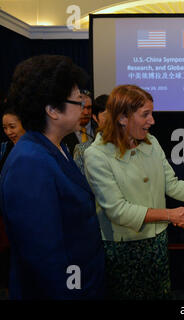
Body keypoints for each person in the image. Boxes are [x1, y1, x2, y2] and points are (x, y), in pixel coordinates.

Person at [83, 84, 184, 300]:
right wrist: (170, 214)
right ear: (122, 118)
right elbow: (118, 211)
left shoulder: (151, 143)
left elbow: (172, 185)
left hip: (157, 242)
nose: (152, 121)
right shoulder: (96, 155)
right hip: (123, 250)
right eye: (145, 114)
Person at [0, 55, 105, 299]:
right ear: (52, 110)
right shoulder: (29, 163)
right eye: (78, 101)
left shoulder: (56, 147)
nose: (83, 108)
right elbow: (45, 257)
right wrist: (76, 291)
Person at [0, 106, 26, 297]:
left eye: (12, 126)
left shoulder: (35, 150)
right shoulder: (3, 149)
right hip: (8, 219)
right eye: (5, 128)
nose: (9, 132)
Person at [73, 94, 108, 174]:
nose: (86, 112)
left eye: (89, 108)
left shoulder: (125, 145)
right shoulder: (82, 151)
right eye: (106, 116)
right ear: (95, 117)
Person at [62, 89, 96, 155]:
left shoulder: (99, 129)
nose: (86, 112)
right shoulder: (64, 132)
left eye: (89, 108)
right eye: (82, 107)